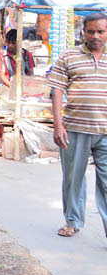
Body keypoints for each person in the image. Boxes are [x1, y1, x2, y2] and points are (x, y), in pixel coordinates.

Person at [49, 12, 107, 239]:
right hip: (74, 128)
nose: (95, 36)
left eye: (101, 31)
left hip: (105, 130)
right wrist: (57, 125)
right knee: (73, 178)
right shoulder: (69, 57)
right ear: (83, 32)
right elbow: (57, 91)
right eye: (91, 31)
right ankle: (72, 221)